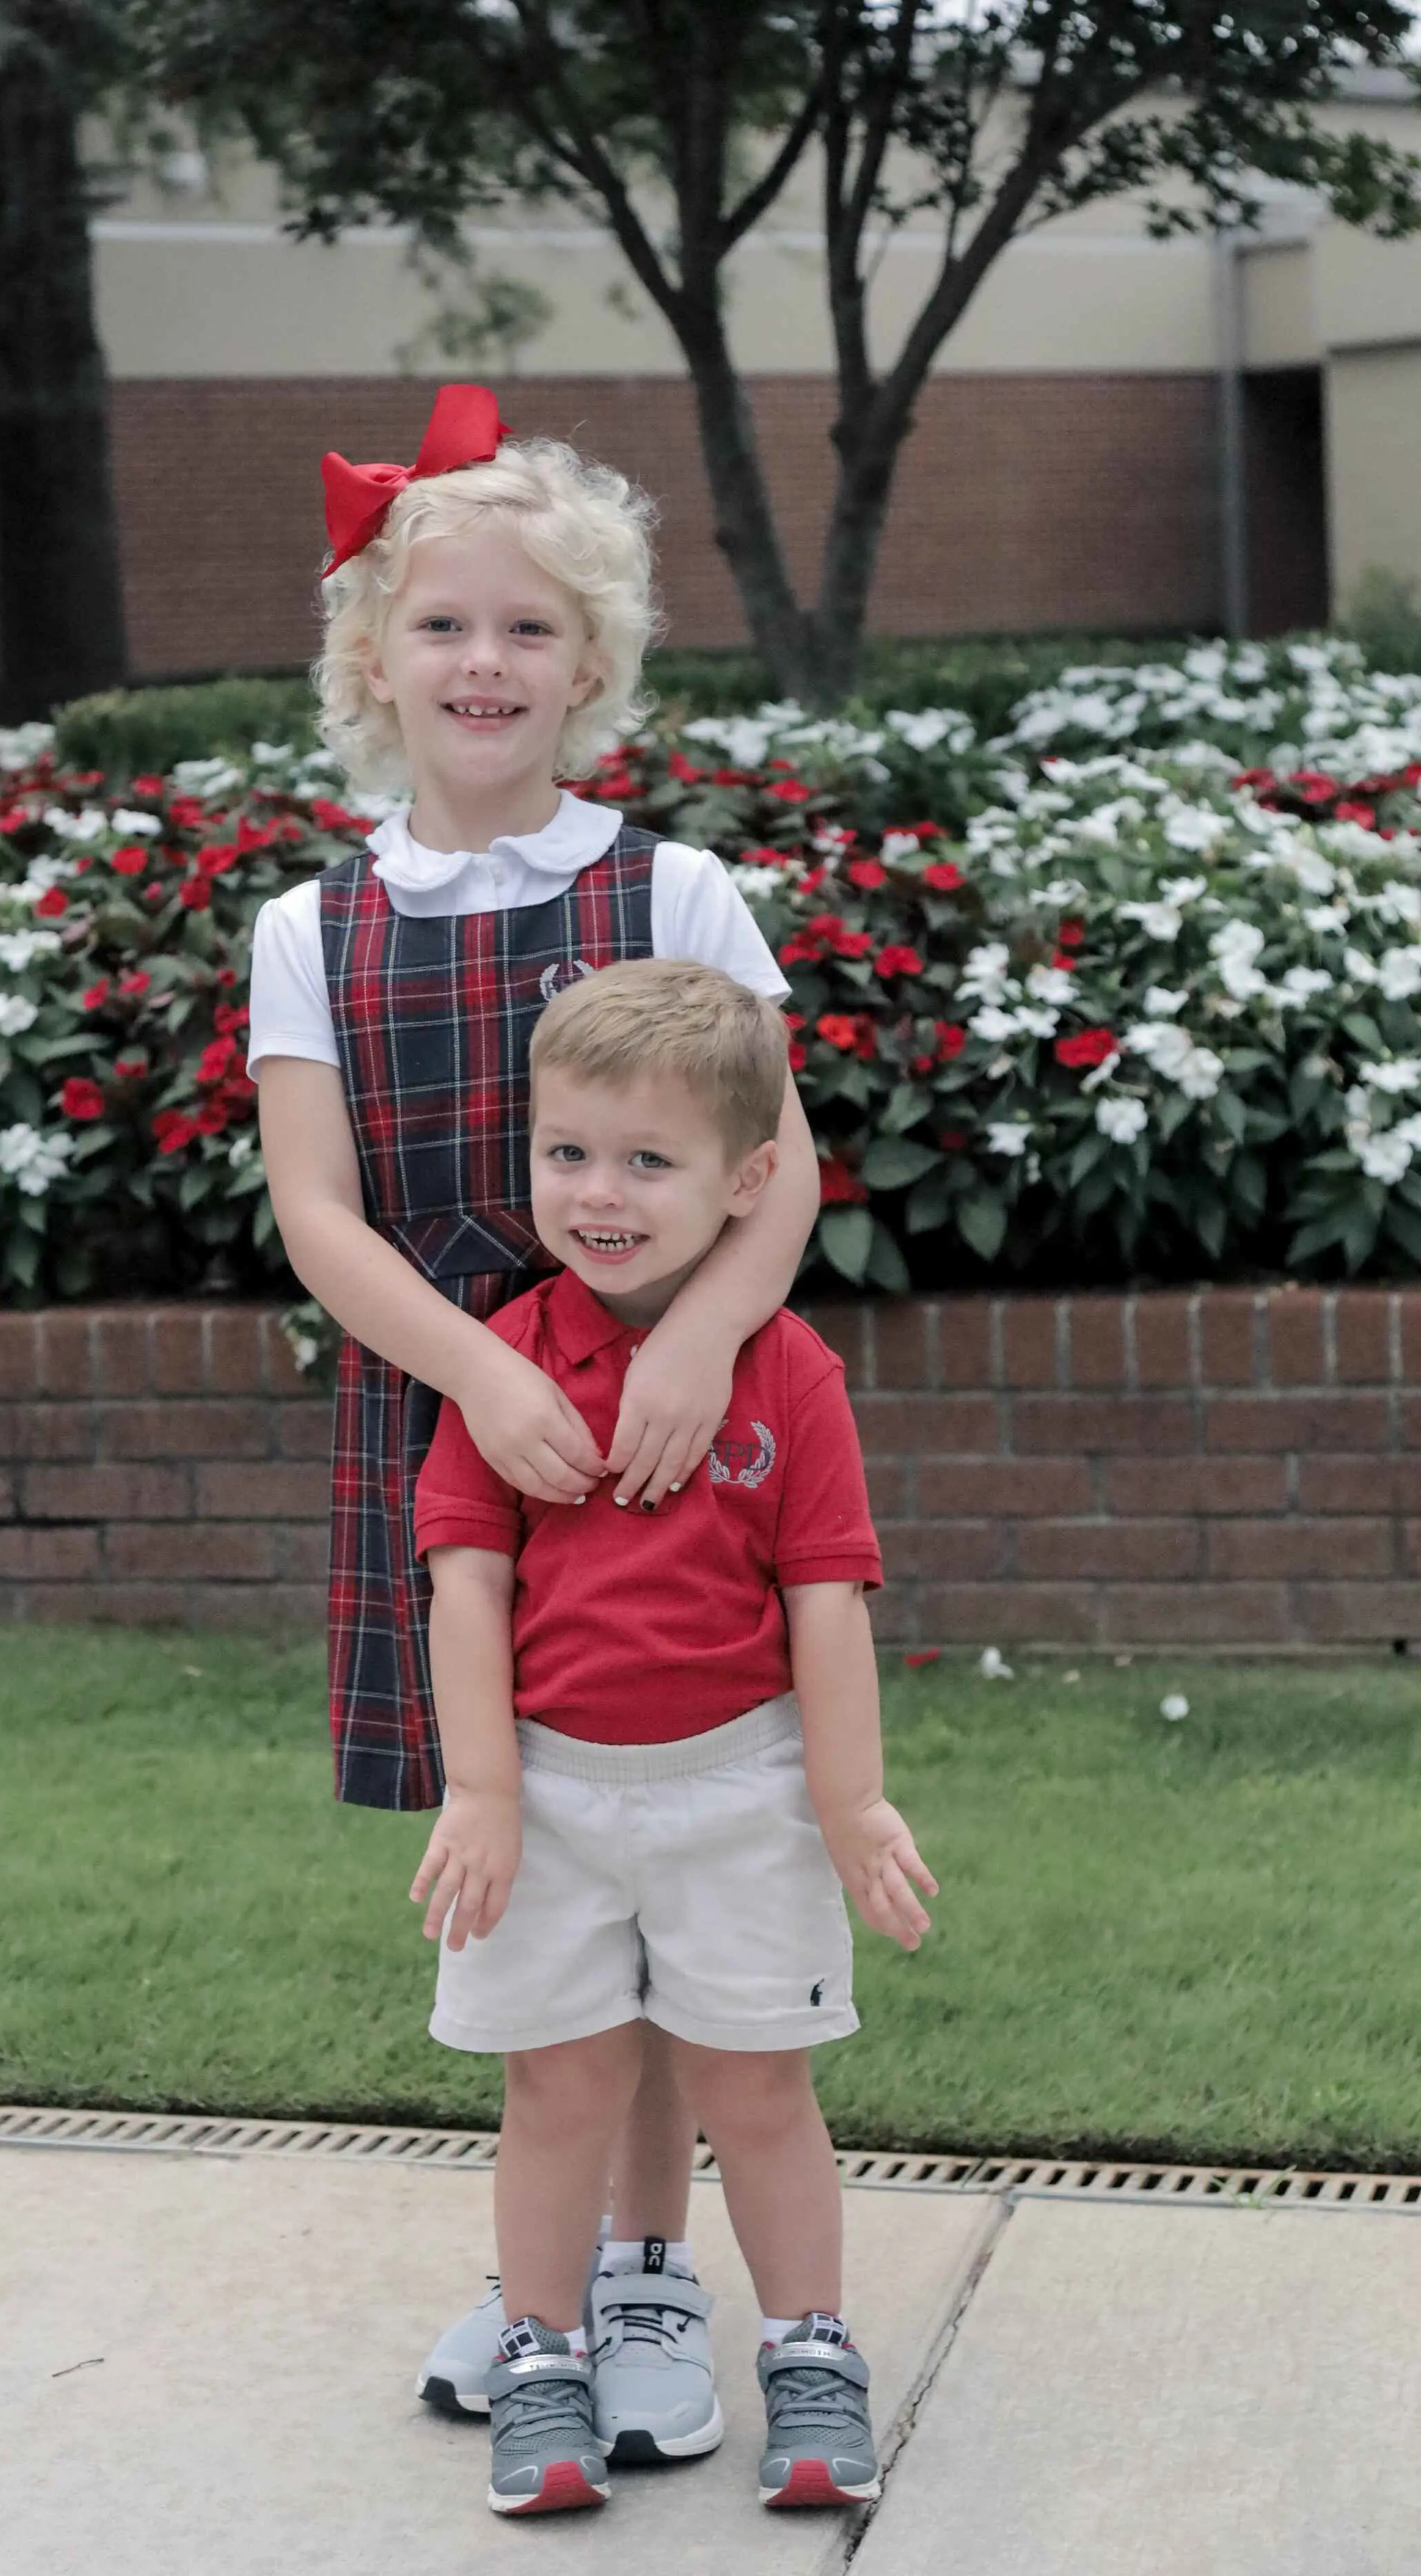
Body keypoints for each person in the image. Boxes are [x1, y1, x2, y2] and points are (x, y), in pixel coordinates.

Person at [248, 386, 823, 2447]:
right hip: (470, 1459)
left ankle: (657, 2291)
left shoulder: (673, 893)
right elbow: (322, 1215)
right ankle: (545, 2292)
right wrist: (487, 1370)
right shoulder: (311, 930)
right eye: (439, 627)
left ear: (592, 665)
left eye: (525, 630)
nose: (480, 666)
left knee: (674, 1870)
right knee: (550, 1885)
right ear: (373, 662)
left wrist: (689, 1349)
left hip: (669, 1472)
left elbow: (793, 1172)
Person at [410, 959, 937, 2518]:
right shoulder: (499, 1362)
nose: (600, 1193)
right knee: (555, 2090)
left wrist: (847, 1805)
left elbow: (827, 1601)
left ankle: (809, 2354)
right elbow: (464, 1588)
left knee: (758, 2089)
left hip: (739, 1786)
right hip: (554, 1796)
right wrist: (484, 1790)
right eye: (567, 1152)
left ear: (747, 1179)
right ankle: (542, 2356)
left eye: (649, 1161)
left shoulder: (785, 1375)